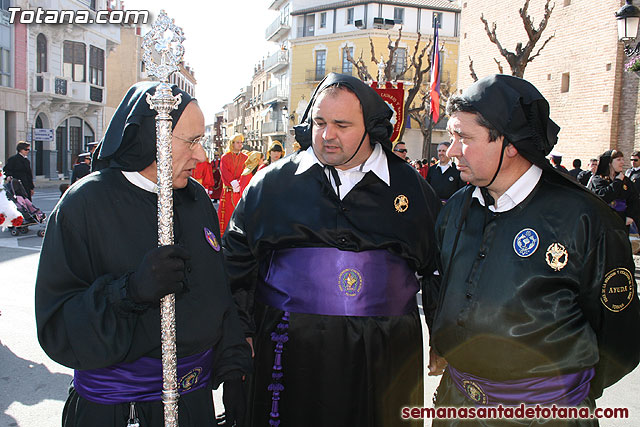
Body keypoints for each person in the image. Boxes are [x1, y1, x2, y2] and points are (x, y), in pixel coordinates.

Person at [223, 73, 441, 427]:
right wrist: (240, 332)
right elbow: (237, 260)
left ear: (370, 128)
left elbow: (437, 267)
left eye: (341, 124)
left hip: (384, 349)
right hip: (289, 345)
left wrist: (441, 334)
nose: (327, 135)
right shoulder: (272, 185)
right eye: (320, 122)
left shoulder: (410, 188)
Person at [34, 82, 251, 427]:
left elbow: (218, 293)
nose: (201, 156)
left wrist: (234, 366)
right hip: (122, 411)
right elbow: (57, 327)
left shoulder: (196, 201)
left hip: (195, 406)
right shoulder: (84, 205)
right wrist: (129, 291)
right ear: (152, 137)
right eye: (192, 142)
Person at [431, 74, 640, 426]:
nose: (452, 151)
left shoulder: (585, 219)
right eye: (452, 137)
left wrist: (558, 396)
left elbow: (620, 334)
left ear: (510, 143)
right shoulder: (455, 209)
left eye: (463, 138)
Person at [588, 149, 640, 232]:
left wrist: (630, 216)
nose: (622, 162)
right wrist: (617, 182)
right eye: (618, 160)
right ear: (609, 163)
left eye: (622, 159)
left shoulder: (626, 181)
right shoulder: (598, 180)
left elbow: (634, 200)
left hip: (623, 225)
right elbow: (604, 197)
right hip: (604, 225)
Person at [218, 134, 248, 233]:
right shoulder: (225, 157)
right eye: (238, 142)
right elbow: (225, 171)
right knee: (226, 216)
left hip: (239, 191)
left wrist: (240, 182)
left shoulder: (245, 158)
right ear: (232, 143)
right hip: (227, 192)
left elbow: (246, 172)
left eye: (241, 142)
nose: (240, 145)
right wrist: (233, 182)